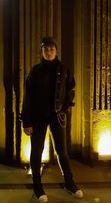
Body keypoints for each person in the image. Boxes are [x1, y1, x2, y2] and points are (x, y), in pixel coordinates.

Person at [21, 37, 83, 203]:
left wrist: (66, 107)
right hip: (38, 118)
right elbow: (27, 98)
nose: (49, 52)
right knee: (36, 152)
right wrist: (26, 122)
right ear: (42, 51)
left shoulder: (63, 69)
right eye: (46, 49)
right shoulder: (35, 71)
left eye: (52, 49)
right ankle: (37, 186)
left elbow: (71, 88)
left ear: (56, 51)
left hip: (57, 116)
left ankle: (69, 183)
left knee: (62, 151)